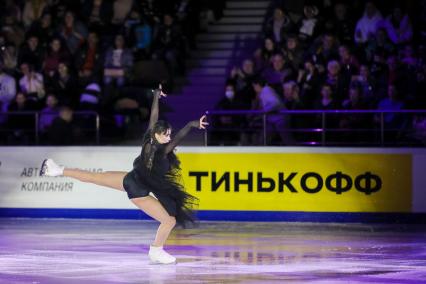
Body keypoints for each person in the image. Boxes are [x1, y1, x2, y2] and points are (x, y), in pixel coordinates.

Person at [39, 85, 208, 264]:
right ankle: (156, 250)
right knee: (169, 221)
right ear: (158, 135)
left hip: (131, 179)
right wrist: (191, 124)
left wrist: (156, 97)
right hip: (139, 191)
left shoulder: (149, 138)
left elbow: (154, 116)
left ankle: (57, 170)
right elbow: (177, 138)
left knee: (94, 177)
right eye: (165, 135)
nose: (168, 138)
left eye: (168, 135)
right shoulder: (161, 150)